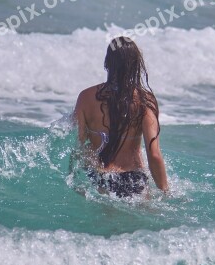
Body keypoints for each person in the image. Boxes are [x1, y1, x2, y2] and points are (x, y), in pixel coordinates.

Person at [72, 36, 168, 197]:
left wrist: (73, 177)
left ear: (106, 63)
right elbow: (154, 154)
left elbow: (78, 143)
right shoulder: (145, 100)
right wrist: (166, 192)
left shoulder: (85, 97)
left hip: (98, 175)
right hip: (133, 178)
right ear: (136, 65)